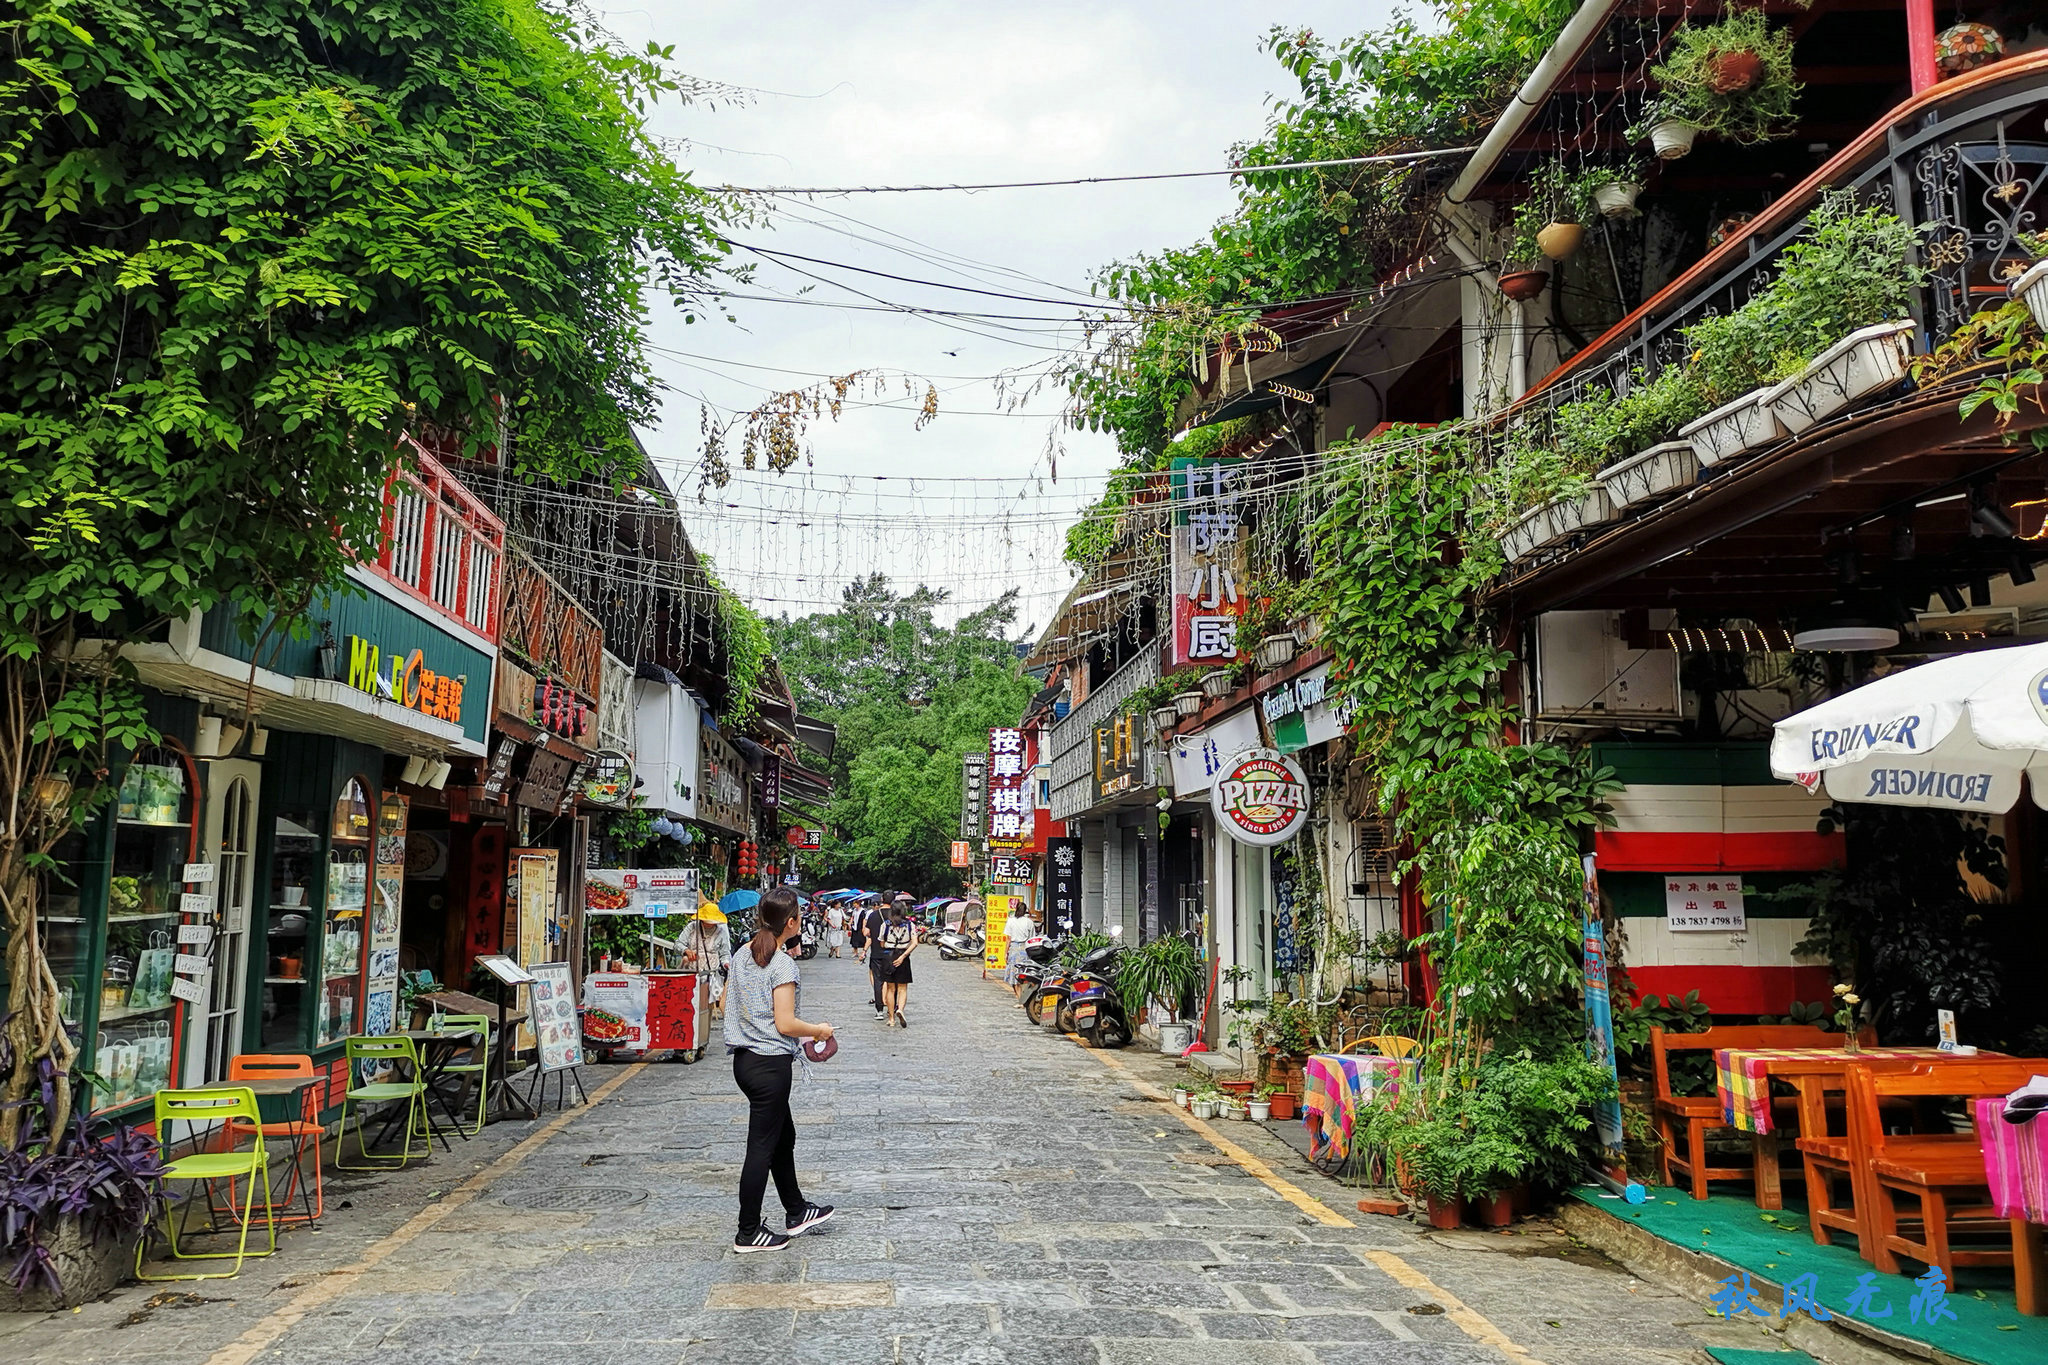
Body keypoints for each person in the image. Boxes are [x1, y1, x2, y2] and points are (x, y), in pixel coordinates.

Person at [723, 886, 835, 1253]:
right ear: (790, 923)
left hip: (746, 1062)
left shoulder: (742, 954)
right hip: (769, 1065)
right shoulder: (782, 964)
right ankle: (748, 1231)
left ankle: (797, 1210)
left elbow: (724, 1004)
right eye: (798, 916)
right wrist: (818, 1030)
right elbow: (786, 1023)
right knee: (761, 1147)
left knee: (782, 1137)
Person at [876, 897, 918, 1028]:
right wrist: (903, 955)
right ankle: (900, 1009)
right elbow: (915, 942)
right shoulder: (910, 925)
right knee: (902, 988)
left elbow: (881, 943)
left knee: (890, 988)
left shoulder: (885, 925)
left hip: (888, 956)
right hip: (903, 957)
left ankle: (891, 1019)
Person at [861, 898, 888, 1020]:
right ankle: (893, 1008)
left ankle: (879, 1010)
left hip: (877, 952)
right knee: (893, 982)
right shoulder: (897, 913)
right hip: (894, 953)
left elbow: (866, 933)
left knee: (878, 981)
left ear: (882, 900)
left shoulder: (873, 915)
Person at [1004, 902, 1037, 998]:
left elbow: (1008, 939)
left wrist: (1005, 953)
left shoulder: (1010, 921)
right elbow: (1032, 938)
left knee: (1013, 976)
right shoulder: (1029, 922)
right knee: (1024, 974)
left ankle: (1019, 998)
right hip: (1025, 949)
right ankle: (1022, 998)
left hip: (1014, 950)